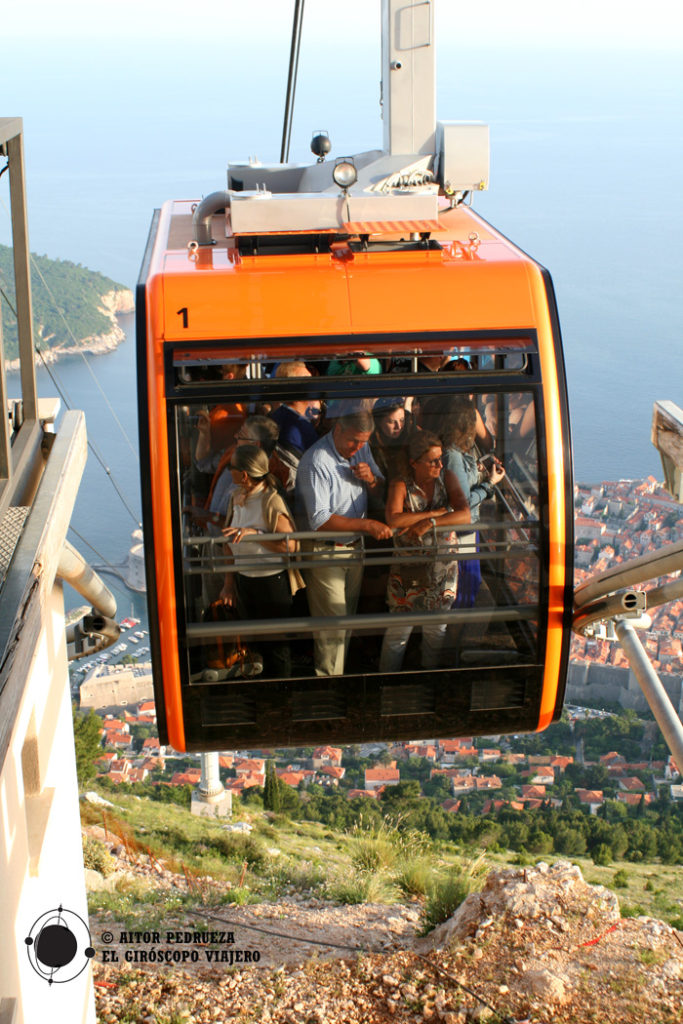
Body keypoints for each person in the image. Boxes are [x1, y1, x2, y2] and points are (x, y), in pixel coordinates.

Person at [295, 409, 392, 676]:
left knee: (344, 624)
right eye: (353, 441)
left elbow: (380, 485)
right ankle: (328, 685)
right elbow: (320, 520)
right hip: (325, 550)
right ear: (337, 429)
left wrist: (371, 479)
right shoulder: (316, 460)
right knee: (333, 627)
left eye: (364, 442)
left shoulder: (361, 448)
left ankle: (335, 680)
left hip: (352, 548)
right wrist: (367, 525)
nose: (359, 448)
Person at [379, 432, 470, 672]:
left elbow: (465, 515)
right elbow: (394, 519)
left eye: (440, 459)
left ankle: (427, 680)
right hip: (409, 572)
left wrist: (429, 523)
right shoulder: (401, 484)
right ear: (414, 462)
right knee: (398, 631)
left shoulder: (447, 477)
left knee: (436, 632)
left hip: (442, 570)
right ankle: (386, 682)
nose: (440, 465)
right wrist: (435, 513)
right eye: (433, 461)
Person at [219, 446, 303, 678]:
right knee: (254, 646)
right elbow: (229, 543)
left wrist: (255, 534)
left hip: (271, 583)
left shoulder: (271, 500)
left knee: (276, 647)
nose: (229, 471)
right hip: (244, 581)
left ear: (244, 474)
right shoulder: (236, 497)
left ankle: (281, 695)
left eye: (231, 467)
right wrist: (228, 584)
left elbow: (291, 546)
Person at [440, 400, 505, 607]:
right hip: (462, 529)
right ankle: (454, 631)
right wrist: (489, 485)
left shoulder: (457, 451)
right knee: (466, 583)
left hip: (465, 527)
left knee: (468, 582)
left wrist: (478, 471)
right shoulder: (453, 455)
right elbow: (463, 502)